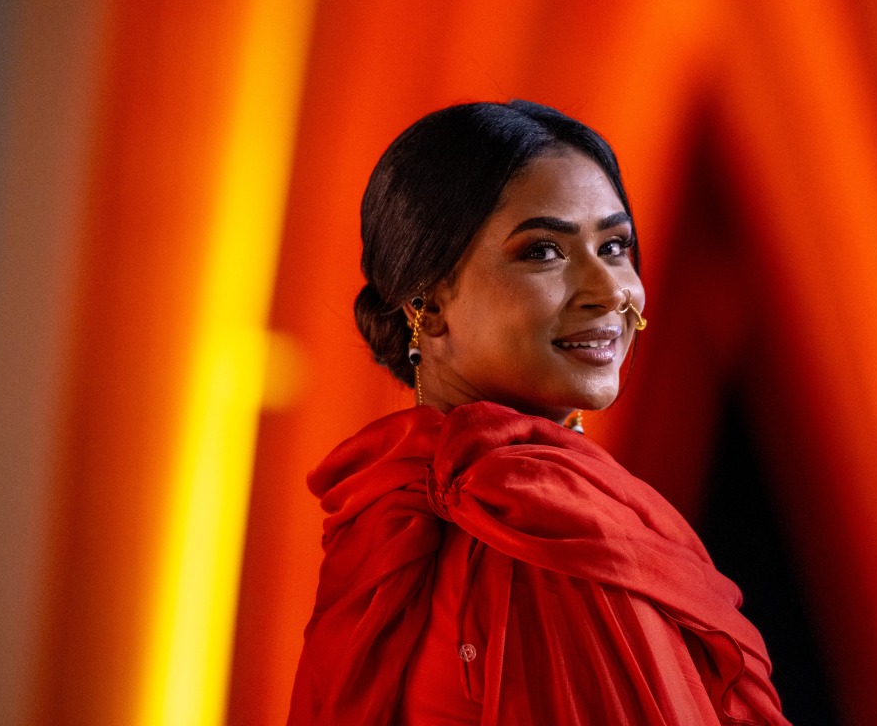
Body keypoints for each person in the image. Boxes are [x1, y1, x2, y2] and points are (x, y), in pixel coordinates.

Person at [288, 101, 789, 725]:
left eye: (614, 245)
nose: (610, 291)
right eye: (543, 252)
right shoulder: (528, 534)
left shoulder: (397, 506)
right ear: (428, 306)